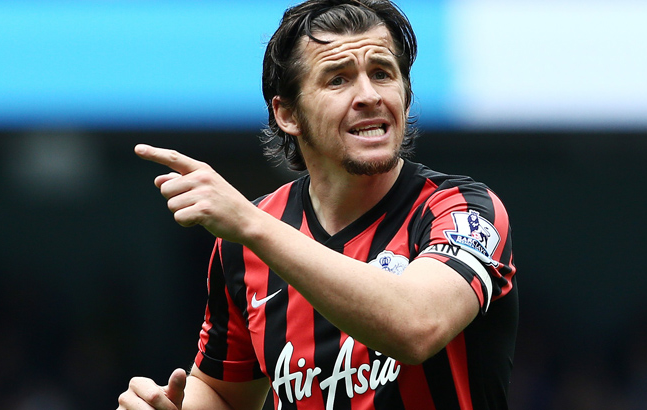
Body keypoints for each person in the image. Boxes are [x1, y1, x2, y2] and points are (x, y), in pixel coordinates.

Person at [118, 0, 518, 409]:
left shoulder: (463, 210)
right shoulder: (242, 243)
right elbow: (224, 393)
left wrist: (250, 224)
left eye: (382, 74)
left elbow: (417, 327)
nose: (369, 95)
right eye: (338, 80)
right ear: (287, 113)